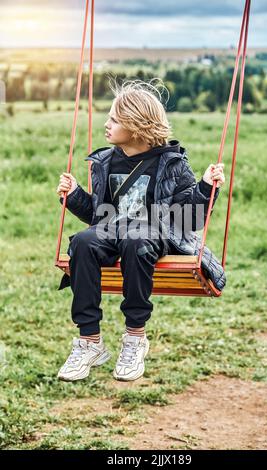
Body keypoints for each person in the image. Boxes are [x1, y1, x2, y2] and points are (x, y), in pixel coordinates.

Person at [56, 79, 225, 382]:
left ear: (136, 125)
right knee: (81, 242)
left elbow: (190, 219)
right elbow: (97, 214)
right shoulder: (104, 162)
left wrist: (204, 188)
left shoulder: (172, 164)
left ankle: (135, 337)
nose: (106, 124)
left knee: (136, 239)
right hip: (112, 230)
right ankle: (90, 341)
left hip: (156, 234)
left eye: (114, 119)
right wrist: (74, 196)